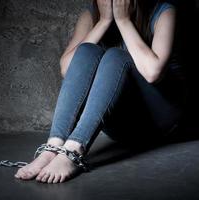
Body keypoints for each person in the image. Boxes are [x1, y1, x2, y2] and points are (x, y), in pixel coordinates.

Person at [14, 0, 188, 184]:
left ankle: (74, 150)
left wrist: (123, 21)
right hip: (119, 125)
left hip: (159, 120)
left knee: (115, 56)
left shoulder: (163, 12)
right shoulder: (91, 15)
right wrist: (103, 22)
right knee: (86, 50)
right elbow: (67, 69)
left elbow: (153, 73)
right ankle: (53, 146)